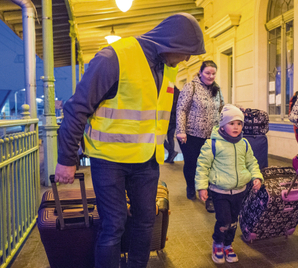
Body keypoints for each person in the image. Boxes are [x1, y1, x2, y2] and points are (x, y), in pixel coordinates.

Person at [54, 13, 205, 268]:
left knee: (146, 220)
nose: (187, 59)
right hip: (109, 159)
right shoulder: (113, 58)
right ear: (171, 42)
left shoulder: (168, 66)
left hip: (147, 161)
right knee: (114, 225)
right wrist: (67, 159)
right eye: (187, 52)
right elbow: (76, 108)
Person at [195, 104, 263, 264]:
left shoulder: (244, 144)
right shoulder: (213, 144)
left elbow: (252, 162)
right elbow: (203, 166)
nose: (236, 127)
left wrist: (256, 176)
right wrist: (202, 187)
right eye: (232, 123)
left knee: (233, 221)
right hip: (220, 191)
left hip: (240, 191)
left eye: (239, 123)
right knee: (224, 220)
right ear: (222, 125)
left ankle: (228, 245)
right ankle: (218, 243)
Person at [176, 60, 224, 213]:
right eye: (208, 73)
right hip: (191, 135)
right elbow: (181, 109)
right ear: (201, 73)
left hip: (211, 135)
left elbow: (222, 107)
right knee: (192, 164)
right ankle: (191, 185)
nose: (211, 76)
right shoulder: (192, 86)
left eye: (213, 73)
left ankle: (209, 197)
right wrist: (180, 130)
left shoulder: (217, 89)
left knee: (210, 166)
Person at [164, 85, 180, 163]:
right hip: (175, 119)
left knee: (159, 138)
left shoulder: (168, 92)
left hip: (168, 118)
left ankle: (171, 152)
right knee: (170, 137)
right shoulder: (179, 93)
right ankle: (171, 158)